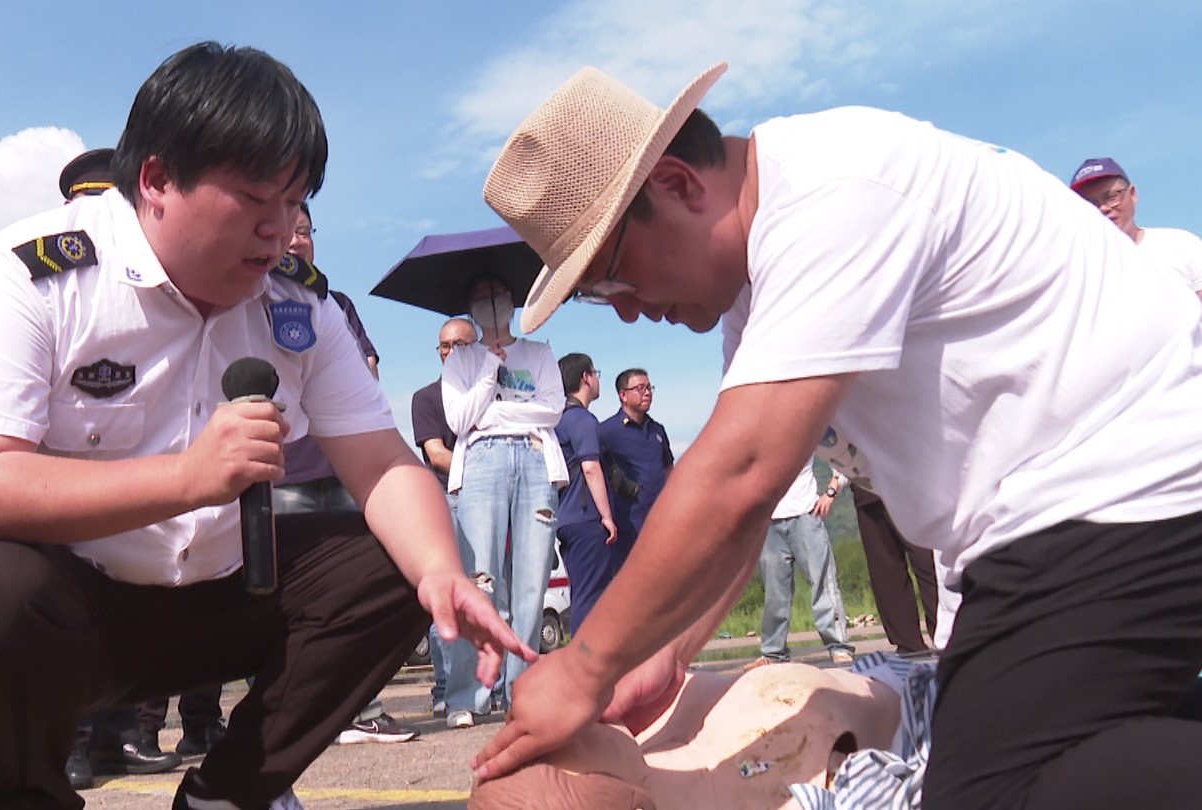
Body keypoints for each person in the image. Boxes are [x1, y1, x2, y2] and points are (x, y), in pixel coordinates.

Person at [474, 63, 1202, 810]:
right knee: (1051, 740)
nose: (625, 313)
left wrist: (586, 663)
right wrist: (666, 653)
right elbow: (746, 510)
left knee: (993, 792)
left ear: (677, 185)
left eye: (608, 277)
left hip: (1128, 483)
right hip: (1057, 517)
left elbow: (740, 472)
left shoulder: (831, 195)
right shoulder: (758, 293)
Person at [0, 43, 529, 810]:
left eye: (295, 202)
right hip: (70, 613)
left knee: (397, 560)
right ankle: (26, 792)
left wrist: (442, 571)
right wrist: (188, 478)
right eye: (254, 200)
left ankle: (230, 794)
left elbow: (380, 461)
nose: (279, 231)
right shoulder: (30, 277)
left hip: (220, 601)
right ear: (158, 180)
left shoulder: (300, 307)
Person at [54, 147, 184, 790]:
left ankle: (117, 738)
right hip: (61, 508)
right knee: (72, 625)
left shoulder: (153, 298)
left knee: (123, 624)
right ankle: (73, 742)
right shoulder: (52, 294)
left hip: (138, 505)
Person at [271, 202, 419, 746]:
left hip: (337, 471)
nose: (294, 242)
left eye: (304, 231)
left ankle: (361, 708)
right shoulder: (241, 299)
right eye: (283, 231)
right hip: (273, 478)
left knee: (362, 576)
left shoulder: (332, 305)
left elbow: (366, 374)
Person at [469, 658, 912, 810]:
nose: (568, 726)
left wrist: (670, 654)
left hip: (879, 678)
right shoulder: (777, 795)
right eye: (569, 744)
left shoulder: (653, 732)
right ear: (625, 799)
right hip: (919, 708)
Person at [442, 273, 567, 729]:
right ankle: (466, 695)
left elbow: (552, 409)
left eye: (497, 294)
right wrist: (489, 372)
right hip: (482, 462)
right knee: (479, 583)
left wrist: (493, 413)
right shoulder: (460, 360)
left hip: (535, 458)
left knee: (532, 584)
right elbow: (459, 420)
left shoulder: (539, 352)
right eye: (479, 296)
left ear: (513, 300)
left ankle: (523, 692)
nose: (490, 303)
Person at [410, 316, 479, 715]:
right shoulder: (426, 398)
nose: (452, 352)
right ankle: (446, 689)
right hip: (448, 500)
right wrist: (483, 469)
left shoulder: (493, 393)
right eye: (445, 346)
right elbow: (435, 453)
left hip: (490, 501)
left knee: (493, 594)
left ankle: (494, 688)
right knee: (448, 597)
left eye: (461, 345)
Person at [747, 461, 854, 669]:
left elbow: (839, 450)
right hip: (769, 520)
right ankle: (773, 652)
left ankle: (838, 645)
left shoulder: (800, 428)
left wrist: (832, 490)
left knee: (823, 582)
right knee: (775, 593)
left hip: (806, 513)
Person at [1069, 157, 1202, 300]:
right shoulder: (1079, 270)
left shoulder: (1182, 244)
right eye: (1090, 204)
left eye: (1112, 197)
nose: (1103, 208)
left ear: (1132, 194)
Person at [553, 353, 618, 632]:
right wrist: (606, 516)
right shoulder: (582, 420)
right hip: (586, 517)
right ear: (586, 377)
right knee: (591, 598)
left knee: (582, 593)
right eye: (596, 372)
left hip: (566, 518)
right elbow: (591, 467)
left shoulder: (557, 420)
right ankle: (584, 667)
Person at [597, 369, 673, 569]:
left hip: (662, 521)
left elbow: (668, 468)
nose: (647, 393)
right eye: (640, 388)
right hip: (628, 527)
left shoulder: (658, 430)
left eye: (649, 388)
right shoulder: (607, 431)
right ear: (623, 395)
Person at [852, 484, 938, 654]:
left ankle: (946, 632)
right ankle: (908, 644)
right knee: (885, 570)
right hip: (867, 486)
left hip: (909, 483)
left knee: (928, 561)